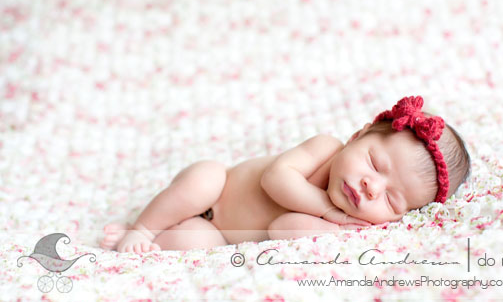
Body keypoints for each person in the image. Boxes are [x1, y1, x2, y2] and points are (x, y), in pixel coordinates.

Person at [100, 95, 471, 253]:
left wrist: (334, 225)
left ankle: (145, 242)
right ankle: (142, 227)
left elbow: (282, 228)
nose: (371, 187)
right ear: (357, 136)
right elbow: (275, 179)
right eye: (374, 164)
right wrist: (326, 209)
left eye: (392, 200)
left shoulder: (351, 227)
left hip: (217, 231)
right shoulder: (326, 148)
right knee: (203, 178)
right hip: (219, 191)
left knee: (194, 246)